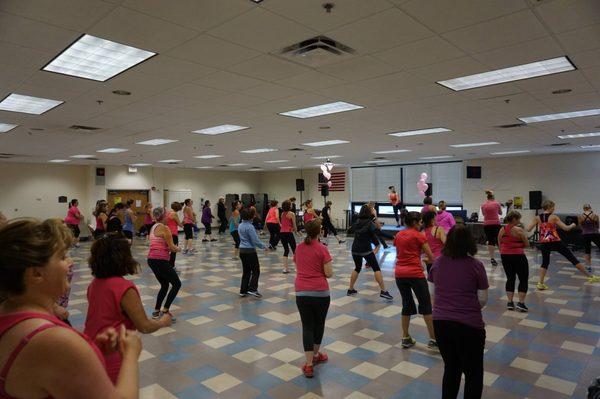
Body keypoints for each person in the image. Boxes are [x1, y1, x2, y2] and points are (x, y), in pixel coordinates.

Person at [0, 218, 141, 398]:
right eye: (62, 257)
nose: (71, 262)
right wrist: (130, 354)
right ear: (36, 273)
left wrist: (87, 352)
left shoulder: (8, 312)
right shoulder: (54, 340)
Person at [85, 232, 172, 383]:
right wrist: (163, 322)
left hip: (91, 350)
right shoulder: (125, 288)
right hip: (114, 353)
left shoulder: (94, 284)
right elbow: (144, 326)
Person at [428, 225, 489, 399]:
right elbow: (483, 299)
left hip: (441, 324)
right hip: (469, 326)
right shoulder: (476, 265)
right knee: (473, 372)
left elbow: (432, 292)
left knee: (451, 368)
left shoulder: (438, 263)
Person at [527, 200, 599, 289]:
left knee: (545, 262)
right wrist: (573, 224)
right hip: (555, 241)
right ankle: (590, 277)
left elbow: (528, 229)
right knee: (572, 258)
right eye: (553, 207)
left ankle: (540, 283)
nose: (554, 209)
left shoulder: (537, 217)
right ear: (549, 207)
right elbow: (566, 228)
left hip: (544, 242)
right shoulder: (554, 217)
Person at [294, 219, 333, 379]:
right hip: (320, 293)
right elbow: (329, 273)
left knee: (307, 326)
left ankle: (309, 364)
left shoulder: (298, 248)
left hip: (301, 292)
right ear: (320, 231)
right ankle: (316, 354)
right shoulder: (323, 249)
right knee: (319, 324)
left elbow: (298, 265)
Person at [393, 212, 437, 349]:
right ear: (414, 222)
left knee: (406, 304)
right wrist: (423, 259)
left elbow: (400, 253)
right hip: (415, 274)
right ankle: (433, 339)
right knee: (425, 305)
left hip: (400, 274)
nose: (421, 224)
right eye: (420, 222)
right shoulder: (419, 236)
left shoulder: (399, 235)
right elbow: (432, 257)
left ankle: (405, 337)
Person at [347, 205, 393, 300]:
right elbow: (379, 233)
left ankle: (350, 289)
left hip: (355, 249)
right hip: (365, 250)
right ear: (369, 212)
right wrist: (392, 237)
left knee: (357, 268)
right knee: (376, 268)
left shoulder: (357, 221)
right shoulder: (369, 223)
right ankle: (384, 291)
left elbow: (352, 230)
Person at [147, 207, 181, 321]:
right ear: (163, 216)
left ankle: (156, 311)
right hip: (160, 260)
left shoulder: (153, 227)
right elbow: (172, 247)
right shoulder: (165, 228)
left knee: (165, 285)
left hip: (151, 260)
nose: (169, 216)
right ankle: (165, 310)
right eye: (167, 215)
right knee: (177, 284)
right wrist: (179, 248)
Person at [498, 211, 530, 312]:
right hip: (518, 256)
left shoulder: (502, 230)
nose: (519, 221)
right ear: (514, 219)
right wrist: (518, 246)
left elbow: (500, 244)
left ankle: (510, 302)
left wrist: (506, 250)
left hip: (505, 255)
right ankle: (521, 303)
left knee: (510, 278)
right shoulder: (519, 230)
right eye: (518, 219)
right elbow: (527, 244)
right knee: (523, 278)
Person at [238, 208, 267, 298]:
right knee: (256, 270)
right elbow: (255, 241)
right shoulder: (250, 227)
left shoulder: (240, 225)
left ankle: (243, 290)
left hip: (242, 250)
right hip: (250, 251)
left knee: (246, 271)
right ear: (251, 217)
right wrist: (263, 246)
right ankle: (253, 289)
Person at [481, 190, 502, 267]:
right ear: (493, 197)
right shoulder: (497, 204)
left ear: (487, 197)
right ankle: (502, 256)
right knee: (499, 240)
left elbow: (483, 214)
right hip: (496, 224)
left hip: (487, 225)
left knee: (490, 241)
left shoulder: (483, 205)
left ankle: (492, 259)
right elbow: (500, 213)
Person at [578, 204, 600, 273]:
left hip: (585, 234)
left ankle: (588, 266)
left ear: (584, 209)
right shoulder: (595, 215)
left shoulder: (580, 216)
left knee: (587, 250)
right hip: (595, 233)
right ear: (590, 208)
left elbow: (581, 226)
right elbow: (598, 226)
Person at [280, 200, 298, 274]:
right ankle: (297, 268)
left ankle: (285, 268)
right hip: (288, 233)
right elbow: (294, 224)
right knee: (294, 250)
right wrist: (296, 231)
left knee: (286, 250)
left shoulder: (282, 214)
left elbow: (283, 223)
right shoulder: (292, 214)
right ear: (289, 206)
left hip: (282, 233)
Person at [166, 202, 183, 268]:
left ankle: (167, 263)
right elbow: (179, 224)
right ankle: (171, 265)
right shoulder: (174, 214)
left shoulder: (167, 212)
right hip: (173, 233)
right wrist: (183, 224)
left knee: (168, 248)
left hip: (167, 232)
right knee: (174, 249)